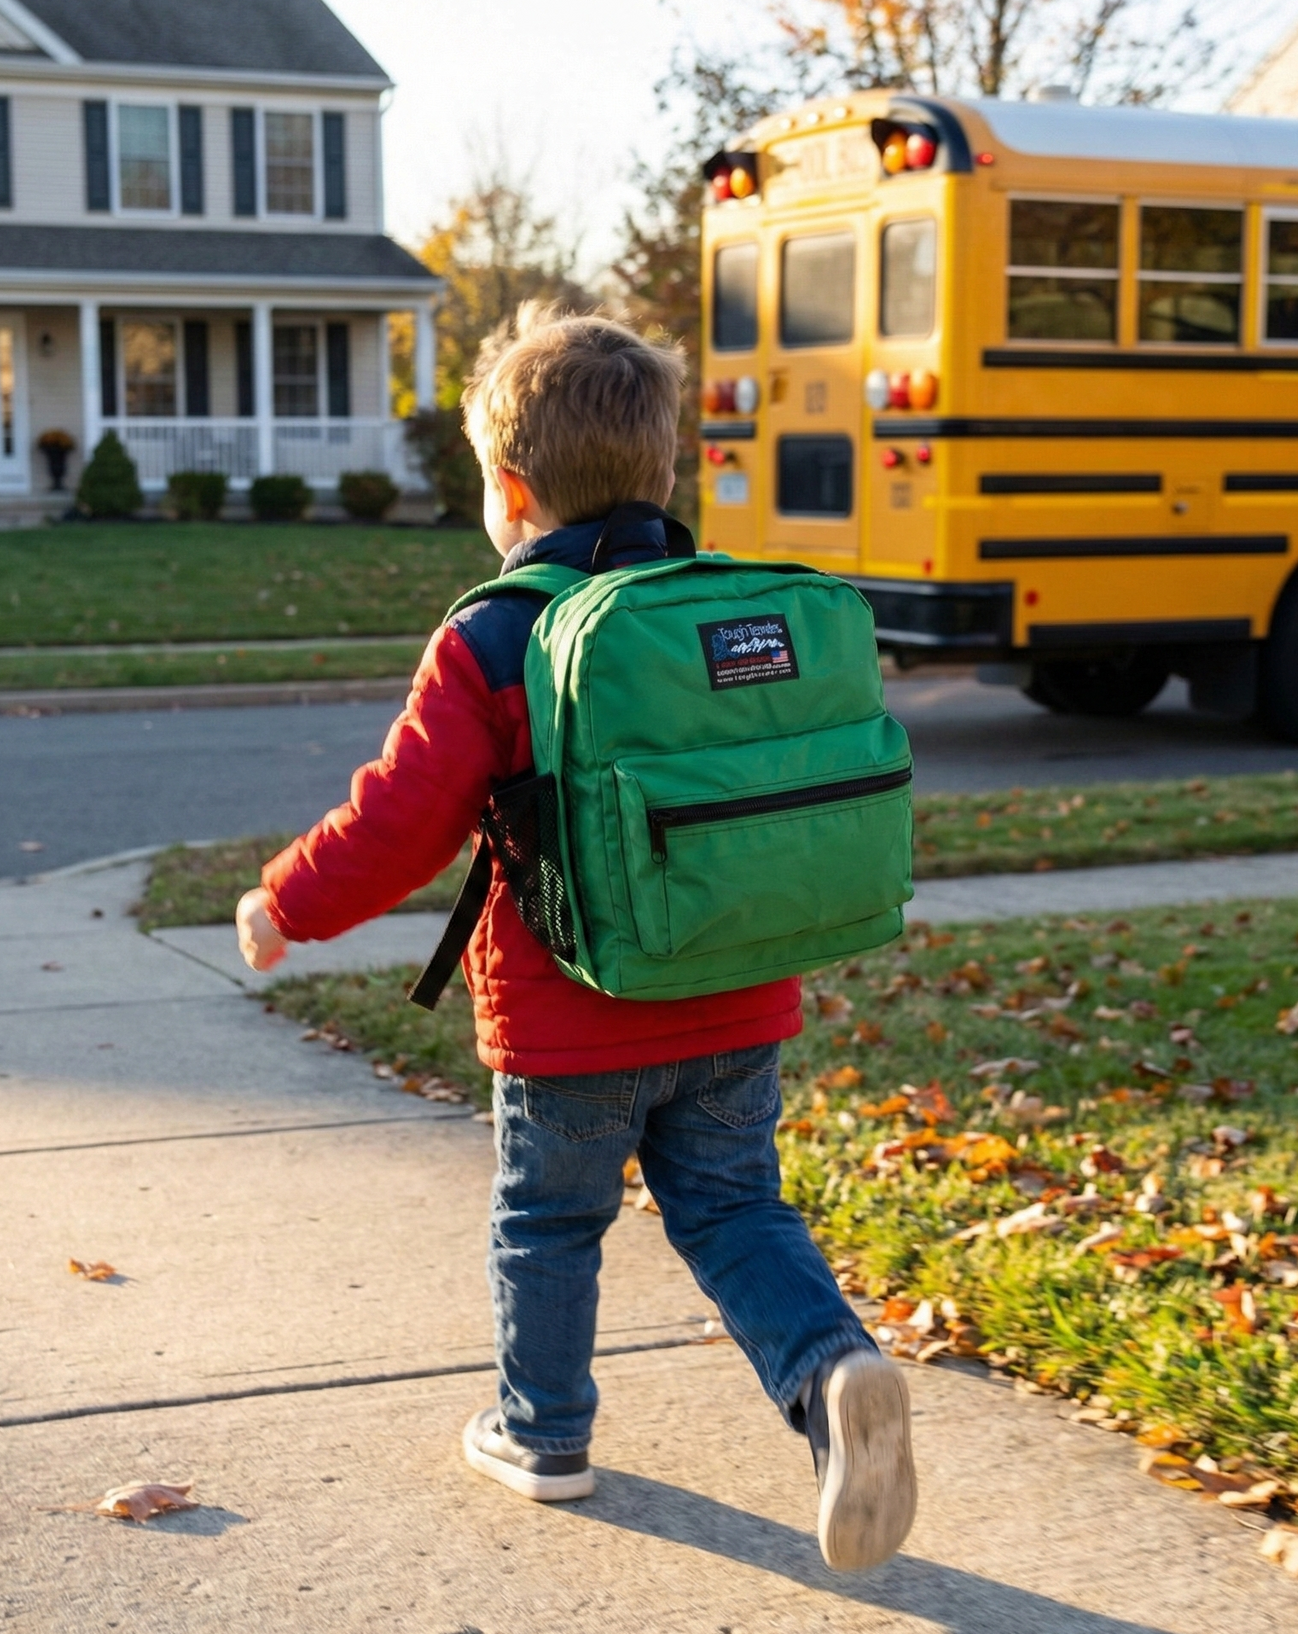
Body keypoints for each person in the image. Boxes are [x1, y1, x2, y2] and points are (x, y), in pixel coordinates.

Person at [235, 304, 916, 1572]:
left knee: (546, 1222)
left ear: (508, 487)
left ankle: (540, 1429)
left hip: (568, 1024)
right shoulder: (724, 609)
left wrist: (287, 900)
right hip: (734, 995)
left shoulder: (492, 632)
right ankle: (831, 1374)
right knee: (731, 1211)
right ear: (666, 471)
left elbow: (399, 821)